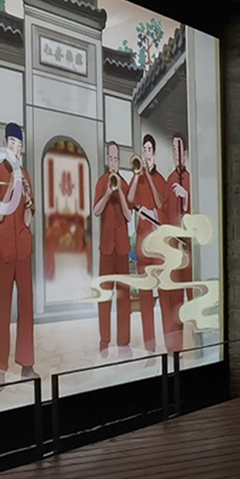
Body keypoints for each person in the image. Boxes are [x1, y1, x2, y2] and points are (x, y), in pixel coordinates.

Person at [0, 123, 36, 389]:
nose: (15, 148)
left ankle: (27, 365)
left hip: (23, 250)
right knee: (2, 310)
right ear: (4, 145)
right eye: (11, 143)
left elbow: (28, 220)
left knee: (26, 308)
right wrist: (11, 185)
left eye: (18, 145)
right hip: (5, 249)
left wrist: (27, 196)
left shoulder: (26, 175)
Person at [128, 133, 171, 353]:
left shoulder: (161, 180)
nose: (145, 153)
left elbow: (161, 203)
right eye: (143, 149)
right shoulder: (139, 178)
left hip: (159, 248)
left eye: (148, 150)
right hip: (143, 247)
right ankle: (149, 346)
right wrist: (139, 175)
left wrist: (151, 211)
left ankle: (170, 344)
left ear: (154, 153)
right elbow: (129, 200)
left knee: (164, 295)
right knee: (145, 298)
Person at [91, 142, 133, 357]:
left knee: (124, 297)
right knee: (105, 296)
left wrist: (120, 194)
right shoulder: (101, 183)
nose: (113, 162)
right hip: (106, 248)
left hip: (122, 248)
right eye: (111, 158)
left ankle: (124, 342)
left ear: (119, 161)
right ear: (107, 160)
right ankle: (104, 341)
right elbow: (96, 211)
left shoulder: (125, 184)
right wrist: (108, 193)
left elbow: (129, 216)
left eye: (116, 159)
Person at [157, 134, 192, 350]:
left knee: (192, 295)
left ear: (185, 153)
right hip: (173, 249)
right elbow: (164, 211)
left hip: (190, 248)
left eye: (179, 149)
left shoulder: (190, 179)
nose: (176, 153)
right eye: (173, 149)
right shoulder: (170, 179)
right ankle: (176, 348)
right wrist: (154, 215)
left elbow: (200, 211)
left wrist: (186, 196)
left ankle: (199, 345)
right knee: (175, 298)